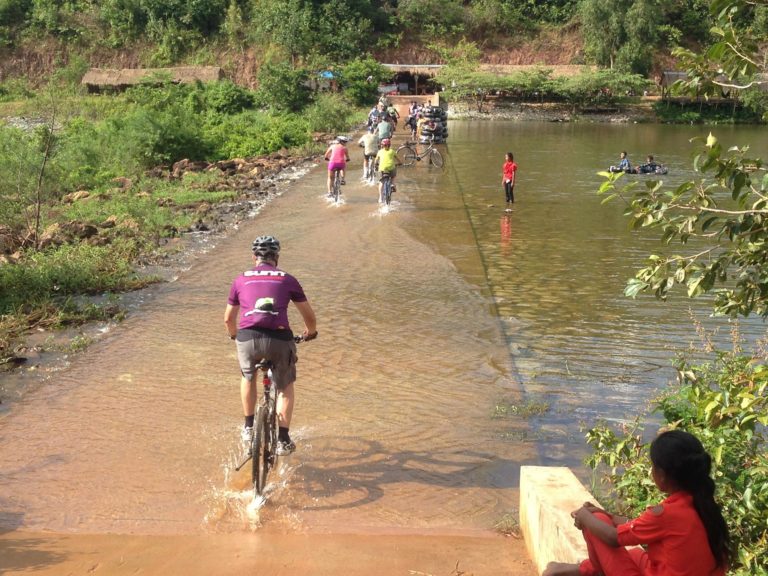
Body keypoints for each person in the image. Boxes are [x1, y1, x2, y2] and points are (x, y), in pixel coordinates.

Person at [543, 429, 730, 576]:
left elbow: (613, 538)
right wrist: (609, 516)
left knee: (595, 522)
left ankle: (584, 571)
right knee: (634, 554)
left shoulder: (667, 513)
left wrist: (584, 516)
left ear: (662, 475)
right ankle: (576, 570)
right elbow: (636, 526)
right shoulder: (702, 505)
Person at [224, 236, 318, 456]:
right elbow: (309, 317)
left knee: (248, 376)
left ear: (254, 257)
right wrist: (310, 333)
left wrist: (234, 336)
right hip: (279, 339)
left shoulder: (240, 279)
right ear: (277, 257)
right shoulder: (287, 279)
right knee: (285, 386)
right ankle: (283, 439)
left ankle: (248, 427)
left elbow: (228, 319)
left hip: (248, 338)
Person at [374, 138, 400, 204]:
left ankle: (380, 197)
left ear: (382, 145)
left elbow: (376, 160)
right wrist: (400, 163)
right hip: (391, 168)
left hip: (382, 169)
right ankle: (392, 184)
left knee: (381, 182)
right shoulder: (392, 151)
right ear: (390, 145)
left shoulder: (379, 151)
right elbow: (398, 159)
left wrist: (376, 165)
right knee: (393, 176)